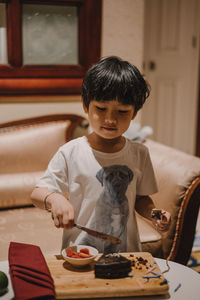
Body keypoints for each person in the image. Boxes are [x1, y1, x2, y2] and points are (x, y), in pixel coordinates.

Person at [31, 56, 171, 253]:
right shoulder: (70, 152)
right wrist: (55, 199)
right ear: (86, 106)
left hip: (126, 252)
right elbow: (37, 193)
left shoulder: (139, 153)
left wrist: (153, 213)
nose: (110, 119)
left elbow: (140, 198)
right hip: (81, 252)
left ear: (134, 113)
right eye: (101, 108)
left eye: (122, 111)